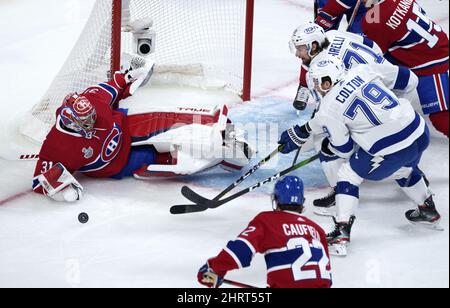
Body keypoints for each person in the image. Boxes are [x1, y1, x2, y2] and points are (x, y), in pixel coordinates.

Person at [278, 54, 442, 256]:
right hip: (418, 130)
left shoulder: (328, 106)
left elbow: (344, 150)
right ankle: (427, 207)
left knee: (348, 175)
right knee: (403, 168)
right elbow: (407, 77)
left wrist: (332, 145)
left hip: (391, 146)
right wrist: (392, 116)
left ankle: (342, 229)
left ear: (326, 80)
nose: (316, 88)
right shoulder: (361, 70)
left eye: (317, 83)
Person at [32, 55, 254, 203]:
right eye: (87, 121)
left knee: (172, 119)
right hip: (117, 162)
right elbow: (39, 182)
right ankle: (220, 156)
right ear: (72, 122)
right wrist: (63, 190)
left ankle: (225, 130)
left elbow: (114, 86)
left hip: (126, 125)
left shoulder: (92, 99)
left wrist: (128, 76)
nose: (93, 121)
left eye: (91, 116)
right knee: (164, 157)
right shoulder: (56, 147)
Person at [290, 22, 419, 214]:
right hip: (391, 93)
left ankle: (340, 191)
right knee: (400, 149)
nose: (297, 54)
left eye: (300, 48)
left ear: (314, 46)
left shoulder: (319, 68)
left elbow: (328, 111)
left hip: (372, 108)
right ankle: (416, 183)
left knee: (324, 140)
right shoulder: (333, 34)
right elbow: (373, 46)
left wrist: (316, 125)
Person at [314, 0, 449, 138]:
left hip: (430, 60)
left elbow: (371, 55)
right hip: (420, 47)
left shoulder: (376, 20)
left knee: (441, 119)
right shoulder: (387, 8)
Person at [197, 176, 332, 288]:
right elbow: (326, 277)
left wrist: (214, 269)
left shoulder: (267, 220)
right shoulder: (317, 230)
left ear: (276, 200)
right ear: (302, 202)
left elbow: (241, 251)